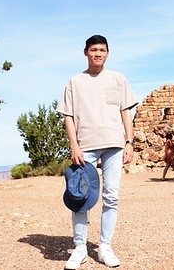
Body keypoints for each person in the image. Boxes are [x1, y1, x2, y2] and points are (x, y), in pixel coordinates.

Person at [57, 35, 137, 269]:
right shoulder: (75, 81)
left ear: (108, 53)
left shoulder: (118, 78)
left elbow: (125, 112)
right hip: (86, 146)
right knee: (79, 198)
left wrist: (130, 142)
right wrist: (74, 145)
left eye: (102, 50)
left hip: (114, 144)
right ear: (86, 53)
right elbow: (68, 116)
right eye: (93, 50)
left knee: (111, 196)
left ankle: (105, 247)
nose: (98, 54)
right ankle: (80, 248)